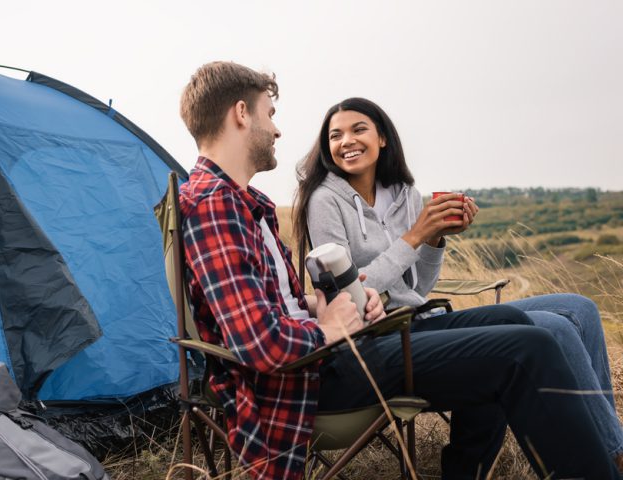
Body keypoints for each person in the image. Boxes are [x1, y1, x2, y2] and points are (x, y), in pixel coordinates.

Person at [178, 61, 621, 479]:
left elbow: (282, 306)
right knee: (530, 347)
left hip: (337, 349)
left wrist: (344, 304)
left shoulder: (242, 203)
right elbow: (262, 343)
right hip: (312, 374)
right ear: (241, 114)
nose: (277, 128)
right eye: (269, 114)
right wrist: (330, 329)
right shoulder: (215, 205)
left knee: (511, 320)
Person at [294, 96, 623, 472]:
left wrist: (435, 240)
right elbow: (350, 289)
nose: (346, 141)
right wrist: (416, 236)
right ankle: (613, 455)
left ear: (382, 138)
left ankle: (610, 441)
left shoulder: (405, 195)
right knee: (555, 327)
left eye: (358, 129)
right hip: (381, 333)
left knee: (580, 308)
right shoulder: (325, 201)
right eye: (335, 135)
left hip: (417, 317)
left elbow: (417, 288)